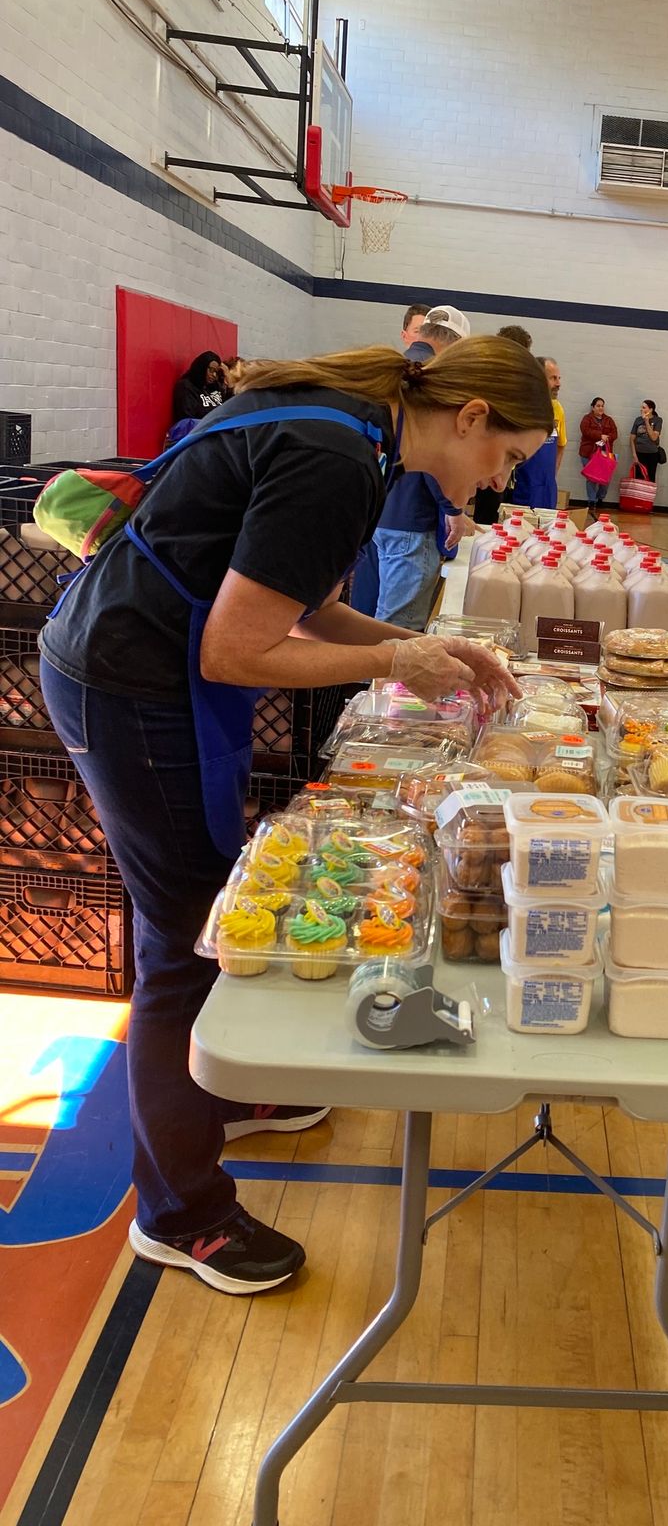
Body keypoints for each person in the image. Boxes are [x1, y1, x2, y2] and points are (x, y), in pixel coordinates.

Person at [39, 338, 550, 1297]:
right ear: (471, 415)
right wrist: (399, 666)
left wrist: (418, 642)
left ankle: (228, 1092)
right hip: (134, 684)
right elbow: (238, 651)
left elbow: (305, 613)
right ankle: (181, 1213)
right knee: (189, 941)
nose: (500, 479)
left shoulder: (348, 423)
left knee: (206, 906)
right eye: (508, 456)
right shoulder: (337, 459)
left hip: (146, 671)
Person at [357, 305, 476, 628]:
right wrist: (452, 509)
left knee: (376, 616)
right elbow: (433, 454)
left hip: (378, 513)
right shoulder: (432, 380)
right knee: (398, 629)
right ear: (454, 346)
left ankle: (367, 677)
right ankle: (380, 679)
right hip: (412, 519)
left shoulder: (390, 370)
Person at [475, 326, 534, 523]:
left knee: (491, 508)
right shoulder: (498, 379)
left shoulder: (492, 374)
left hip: (495, 455)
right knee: (486, 507)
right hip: (489, 453)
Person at [512, 357, 567, 509]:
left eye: (559, 378)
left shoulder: (558, 409)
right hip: (522, 486)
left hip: (547, 489)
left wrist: (551, 476)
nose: (558, 384)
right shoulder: (521, 409)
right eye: (553, 378)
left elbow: (561, 445)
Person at [579, 396, 619, 517]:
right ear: (593, 407)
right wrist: (599, 435)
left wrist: (607, 437)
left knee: (604, 479)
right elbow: (585, 431)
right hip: (588, 453)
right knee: (591, 478)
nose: (600, 408)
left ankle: (599, 498)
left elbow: (615, 433)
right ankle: (592, 502)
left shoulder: (609, 420)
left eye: (602, 406)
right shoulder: (587, 419)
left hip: (604, 454)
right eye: (598, 406)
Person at [172, 352, 225, 423]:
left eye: (216, 372)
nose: (214, 375)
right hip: (200, 430)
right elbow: (187, 420)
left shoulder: (215, 387)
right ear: (202, 367)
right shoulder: (187, 386)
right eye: (211, 370)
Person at [629, 400, 665, 483]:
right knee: (639, 478)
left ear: (651, 409)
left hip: (652, 454)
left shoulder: (658, 420)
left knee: (651, 478)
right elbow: (632, 438)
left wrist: (646, 421)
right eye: (641, 407)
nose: (641, 409)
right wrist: (634, 455)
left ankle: (648, 496)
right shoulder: (637, 420)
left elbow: (654, 437)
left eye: (644, 407)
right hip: (639, 453)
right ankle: (639, 495)